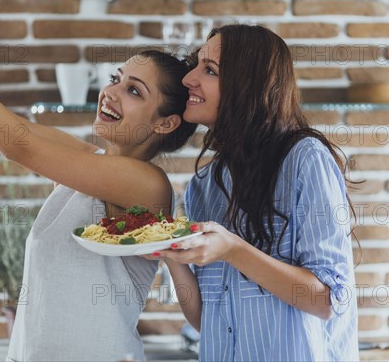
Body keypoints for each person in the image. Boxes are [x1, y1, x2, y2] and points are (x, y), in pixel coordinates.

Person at [0, 0, 197, 361]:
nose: (110, 93)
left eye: (133, 91)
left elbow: (15, 145)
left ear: (165, 123)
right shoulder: (85, 163)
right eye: (116, 78)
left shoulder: (146, 184)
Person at [154, 25, 360, 361]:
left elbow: (328, 299)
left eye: (209, 70)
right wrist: (167, 251)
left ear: (247, 86)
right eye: (196, 65)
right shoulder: (204, 186)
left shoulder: (305, 159)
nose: (189, 78)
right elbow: (208, 322)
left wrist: (233, 249)